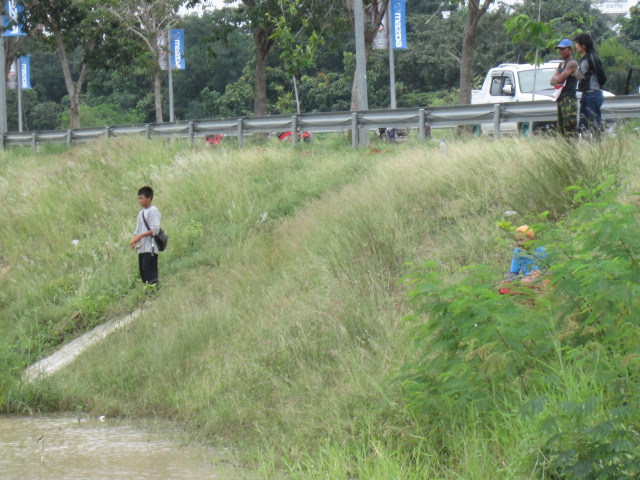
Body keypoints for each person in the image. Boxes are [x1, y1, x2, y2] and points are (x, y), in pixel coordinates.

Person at [574, 33, 604, 137]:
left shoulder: (592, 58)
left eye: (577, 43)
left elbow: (601, 76)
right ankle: (587, 148)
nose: (576, 46)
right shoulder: (586, 58)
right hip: (586, 94)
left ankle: (597, 148)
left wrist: (595, 86)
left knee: (594, 124)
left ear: (584, 45)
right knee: (583, 124)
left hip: (593, 94)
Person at [130, 186, 162, 286]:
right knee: (142, 270)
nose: (140, 201)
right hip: (142, 248)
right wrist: (133, 239)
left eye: (142, 198)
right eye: (139, 199)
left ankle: (154, 291)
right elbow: (137, 228)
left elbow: (155, 230)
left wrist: (140, 236)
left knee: (148, 269)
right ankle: (148, 292)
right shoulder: (141, 213)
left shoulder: (153, 211)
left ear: (149, 198)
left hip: (151, 247)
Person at [550, 39, 579, 138]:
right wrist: (557, 79)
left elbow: (559, 79)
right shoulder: (561, 64)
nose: (560, 51)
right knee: (561, 128)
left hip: (569, 98)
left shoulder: (572, 63)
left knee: (569, 128)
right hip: (561, 98)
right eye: (559, 49)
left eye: (563, 49)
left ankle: (571, 150)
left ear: (570, 50)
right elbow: (552, 81)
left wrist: (557, 79)